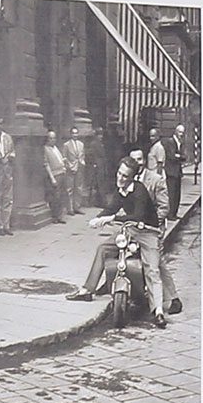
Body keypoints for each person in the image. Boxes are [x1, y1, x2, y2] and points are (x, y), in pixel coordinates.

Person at [64, 157, 165, 326]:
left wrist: (112, 218)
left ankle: (158, 311)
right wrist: (98, 219)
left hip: (148, 232)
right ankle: (87, 290)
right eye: (119, 173)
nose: (120, 178)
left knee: (153, 270)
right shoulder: (121, 190)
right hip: (130, 230)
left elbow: (138, 216)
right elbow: (111, 208)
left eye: (125, 176)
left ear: (133, 177)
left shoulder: (139, 190)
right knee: (103, 248)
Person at [136, 148, 184, 317]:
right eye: (134, 160)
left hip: (153, 228)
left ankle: (172, 298)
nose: (137, 163)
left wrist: (150, 222)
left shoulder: (156, 179)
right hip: (136, 228)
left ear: (144, 161)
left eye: (139, 159)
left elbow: (164, 207)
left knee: (156, 263)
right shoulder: (130, 179)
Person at [41, 130, 67, 222]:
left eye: (54, 138)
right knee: (56, 197)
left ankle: (60, 215)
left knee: (61, 196)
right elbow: (46, 164)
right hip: (55, 174)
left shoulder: (55, 148)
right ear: (47, 139)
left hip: (62, 172)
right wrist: (52, 178)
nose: (52, 140)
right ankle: (55, 216)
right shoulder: (45, 149)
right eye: (50, 138)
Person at [62, 126, 86, 214]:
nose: (75, 135)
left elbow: (83, 155)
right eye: (73, 133)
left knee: (79, 188)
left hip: (79, 168)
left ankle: (77, 207)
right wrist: (69, 166)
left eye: (76, 133)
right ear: (71, 134)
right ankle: (70, 208)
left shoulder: (81, 144)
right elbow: (64, 157)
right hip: (70, 169)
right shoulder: (66, 145)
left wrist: (82, 163)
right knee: (70, 189)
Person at [165, 123, 186, 218]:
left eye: (183, 132)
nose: (181, 134)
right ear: (176, 132)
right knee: (172, 194)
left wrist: (179, 156)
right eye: (180, 132)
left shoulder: (180, 143)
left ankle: (174, 213)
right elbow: (171, 156)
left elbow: (184, 157)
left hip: (177, 172)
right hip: (171, 172)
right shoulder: (170, 142)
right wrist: (179, 156)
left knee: (177, 194)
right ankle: (170, 214)